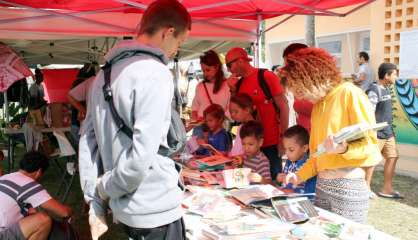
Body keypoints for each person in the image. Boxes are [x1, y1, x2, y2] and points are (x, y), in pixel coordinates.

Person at [78, 0, 191, 239]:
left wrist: (95, 198)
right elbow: (141, 156)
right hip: (154, 206)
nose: (175, 51)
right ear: (168, 32)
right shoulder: (155, 72)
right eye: (179, 43)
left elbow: (88, 141)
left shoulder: (103, 75)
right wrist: (104, 187)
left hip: (126, 208)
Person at [282, 47, 381, 224]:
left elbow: (371, 147)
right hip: (322, 186)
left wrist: (343, 149)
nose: (299, 96)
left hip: (347, 187)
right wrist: (298, 176)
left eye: (300, 90)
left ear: (312, 78)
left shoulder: (350, 93)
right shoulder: (318, 105)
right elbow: (316, 155)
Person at [226, 47, 289, 179]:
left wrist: (283, 137)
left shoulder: (266, 76)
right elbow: (237, 111)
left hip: (271, 142)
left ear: (240, 61)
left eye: (228, 65)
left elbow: (284, 106)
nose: (228, 70)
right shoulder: (239, 84)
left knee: (273, 183)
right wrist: (232, 90)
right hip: (250, 147)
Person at [0, 151, 72, 240]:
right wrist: (70, 211)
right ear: (39, 171)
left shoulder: (5, 177)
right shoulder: (28, 184)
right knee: (43, 220)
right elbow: (64, 212)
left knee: (33, 214)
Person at [365, 63, 402, 199]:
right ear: (387, 75)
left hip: (388, 132)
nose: (396, 77)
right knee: (371, 160)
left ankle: (387, 189)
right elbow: (369, 113)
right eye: (394, 74)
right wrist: (372, 133)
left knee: (393, 157)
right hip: (377, 133)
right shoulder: (374, 90)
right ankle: (366, 188)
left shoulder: (386, 88)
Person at [276, 125, 316, 196]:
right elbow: (285, 182)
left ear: (304, 148)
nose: (287, 153)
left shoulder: (308, 165)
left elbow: (309, 193)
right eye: (285, 149)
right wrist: (280, 178)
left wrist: (289, 191)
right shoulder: (289, 161)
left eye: (291, 150)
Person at [191, 50, 230, 122]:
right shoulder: (200, 86)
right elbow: (194, 108)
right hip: (201, 127)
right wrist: (195, 120)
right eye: (203, 71)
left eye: (208, 70)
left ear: (217, 67)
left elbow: (230, 109)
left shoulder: (228, 85)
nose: (205, 74)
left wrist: (217, 120)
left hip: (219, 127)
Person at [282, 43, 313, 132]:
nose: (286, 68)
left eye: (289, 65)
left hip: (318, 137)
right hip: (303, 137)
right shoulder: (297, 82)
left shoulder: (319, 84)